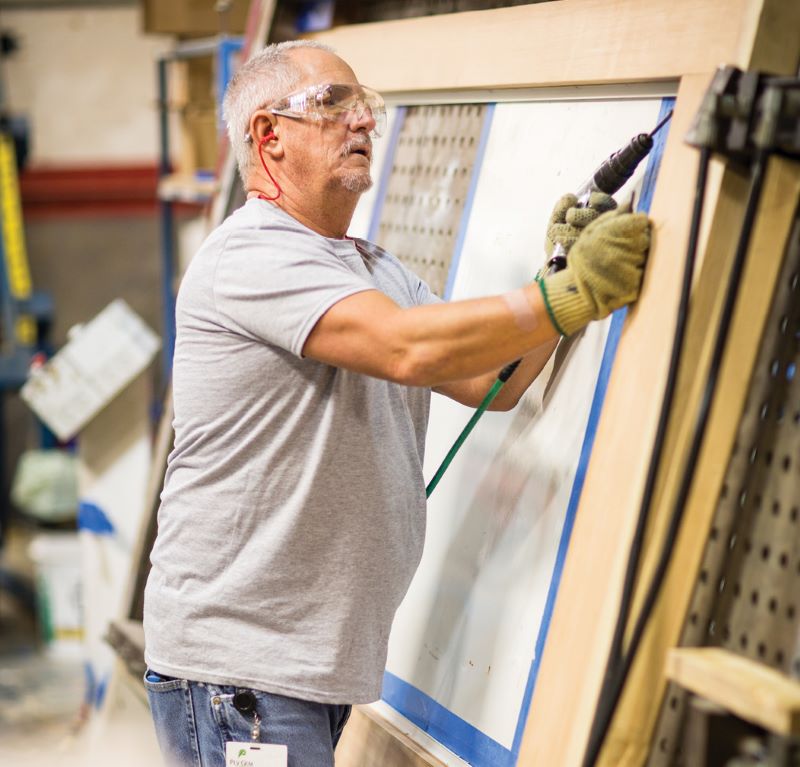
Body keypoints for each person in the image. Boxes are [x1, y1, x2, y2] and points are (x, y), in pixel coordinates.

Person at [142, 39, 651, 767]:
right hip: (241, 670)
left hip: (300, 667)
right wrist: (560, 297)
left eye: (365, 106)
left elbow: (490, 382)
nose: (362, 122)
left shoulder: (370, 268)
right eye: (333, 104)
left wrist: (561, 276)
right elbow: (410, 348)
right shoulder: (250, 256)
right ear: (268, 136)